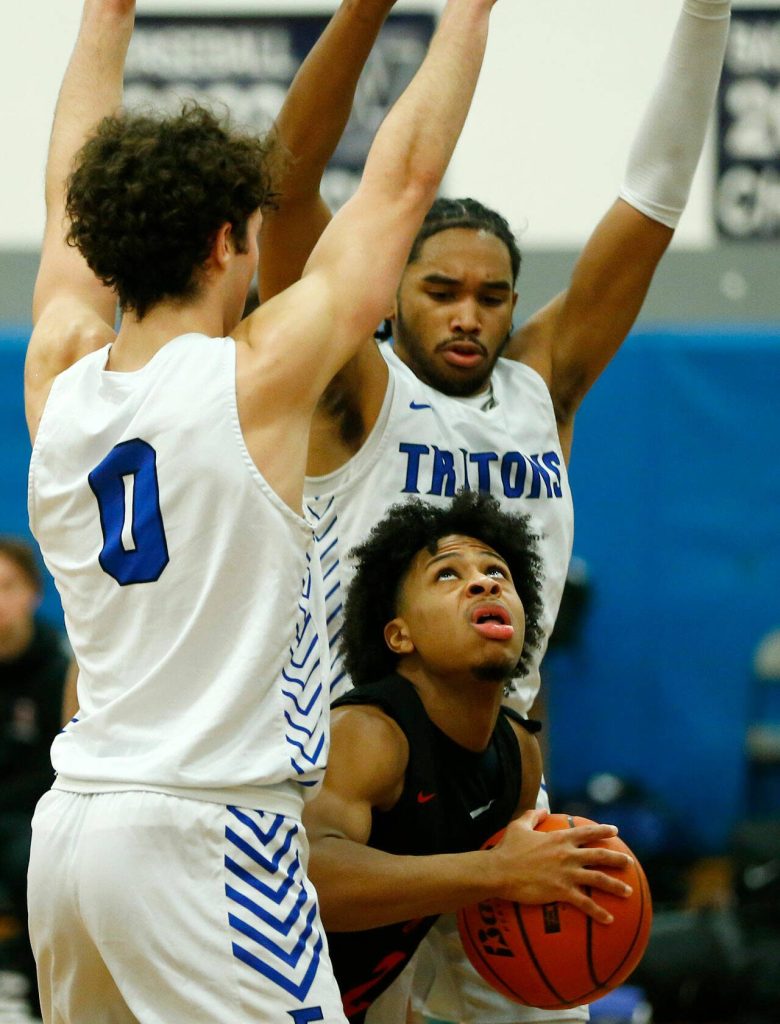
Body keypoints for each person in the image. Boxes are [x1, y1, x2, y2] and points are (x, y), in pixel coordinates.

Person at [23, 0, 501, 1020]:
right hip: (209, 836)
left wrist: (104, 17)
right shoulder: (257, 376)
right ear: (225, 241)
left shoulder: (58, 371)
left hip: (70, 835)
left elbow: (67, 198)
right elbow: (403, 184)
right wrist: (470, 12)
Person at [256, 2, 732, 1022]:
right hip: (359, 783)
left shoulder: (542, 390)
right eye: (441, 291)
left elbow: (649, 207)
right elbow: (285, 197)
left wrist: (707, 13)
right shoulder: (358, 383)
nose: (468, 315)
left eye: (491, 295)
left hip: (495, 789)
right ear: (393, 296)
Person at [303, 491, 634, 1023]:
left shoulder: (518, 754)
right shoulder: (369, 733)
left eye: (497, 571)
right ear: (398, 634)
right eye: (447, 575)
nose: (485, 582)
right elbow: (311, 879)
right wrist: (497, 870)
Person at [0, 538, 69, 1012]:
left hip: (36, 814)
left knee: (33, 859)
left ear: (33, 594)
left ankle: (37, 996)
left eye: (6, 586)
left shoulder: (62, 668)